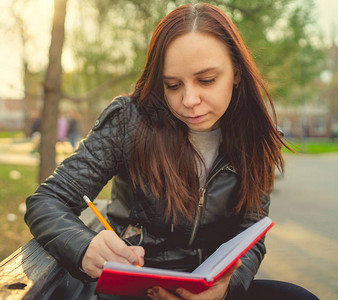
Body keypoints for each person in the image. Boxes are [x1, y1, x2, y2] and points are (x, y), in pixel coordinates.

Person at [25, 3, 318, 300]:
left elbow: (251, 232)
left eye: (207, 80)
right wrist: (83, 246)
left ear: (237, 73)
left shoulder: (255, 137)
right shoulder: (129, 122)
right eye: (173, 85)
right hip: (136, 289)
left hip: (209, 288)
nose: (189, 100)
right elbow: (47, 200)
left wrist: (228, 288)